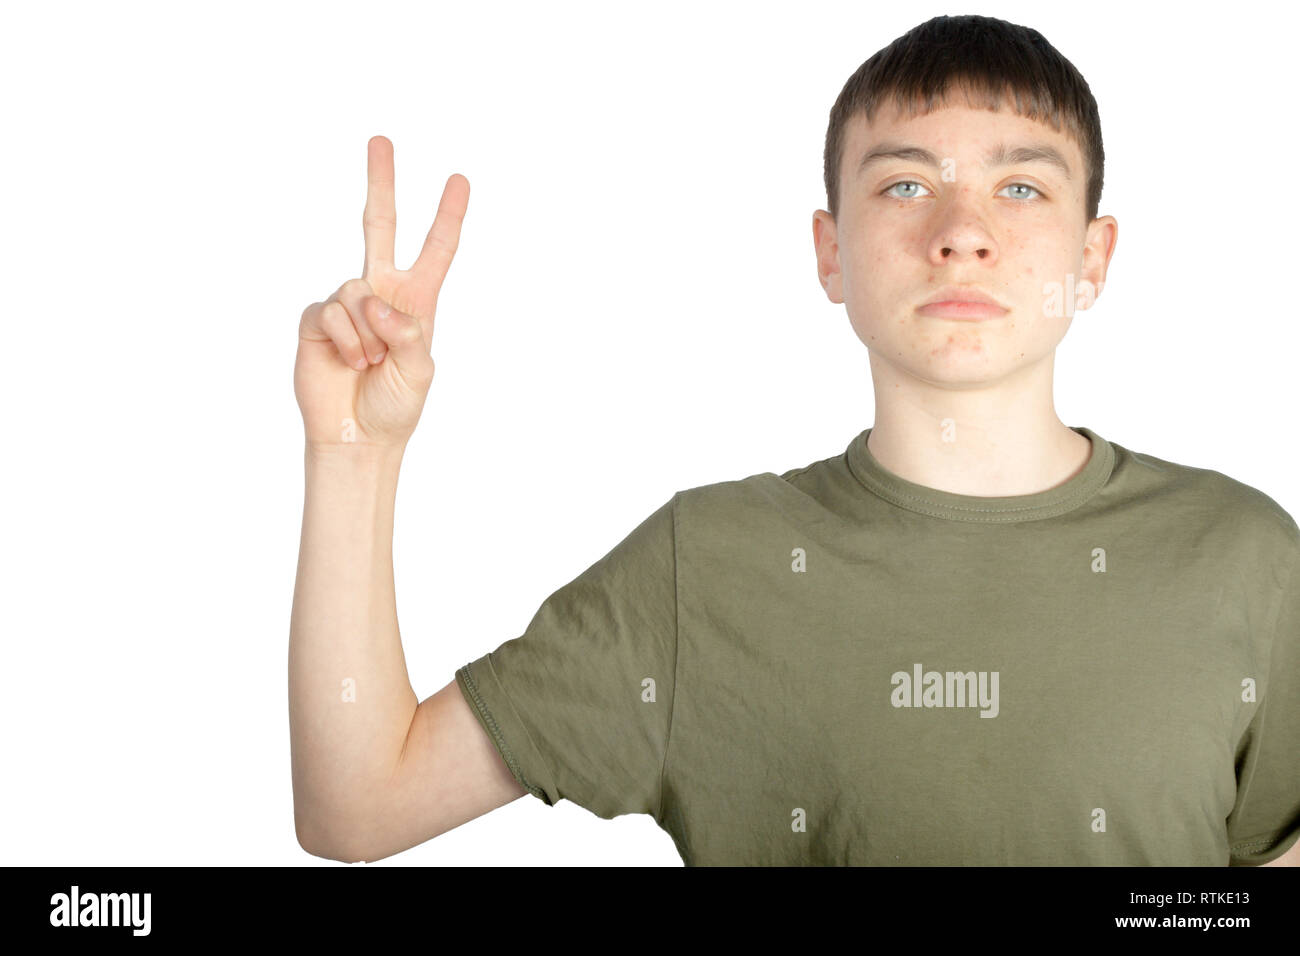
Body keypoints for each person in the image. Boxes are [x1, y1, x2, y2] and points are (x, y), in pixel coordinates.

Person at [288, 14, 1300, 866]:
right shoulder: (706, 566)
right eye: (904, 185)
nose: (960, 229)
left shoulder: (1243, 556)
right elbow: (359, 803)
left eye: (1021, 187)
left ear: (1093, 256)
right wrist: (352, 453)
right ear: (830, 253)